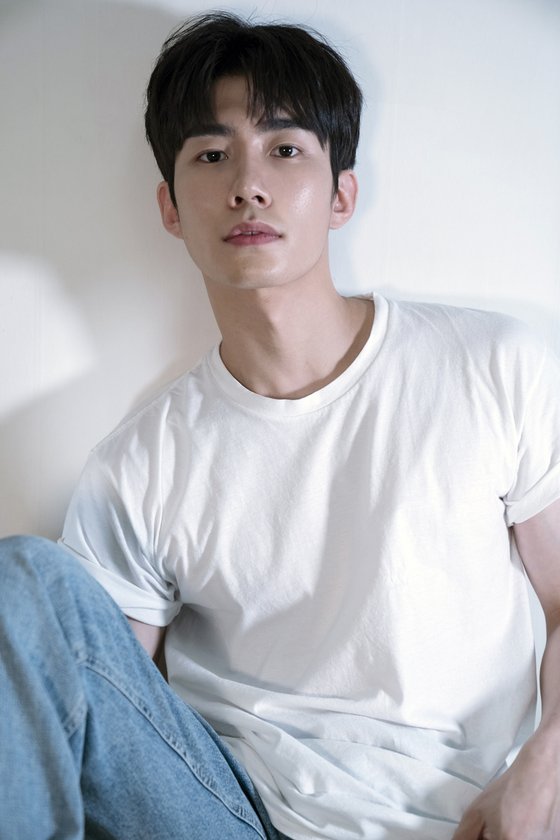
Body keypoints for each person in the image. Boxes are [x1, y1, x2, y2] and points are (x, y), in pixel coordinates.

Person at [1, 10, 559, 840]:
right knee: (26, 583)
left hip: (458, 818)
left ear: (342, 195)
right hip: (230, 816)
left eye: (285, 148)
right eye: (212, 154)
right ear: (170, 207)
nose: (247, 185)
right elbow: (96, 702)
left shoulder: (491, 365)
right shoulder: (140, 463)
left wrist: (545, 772)